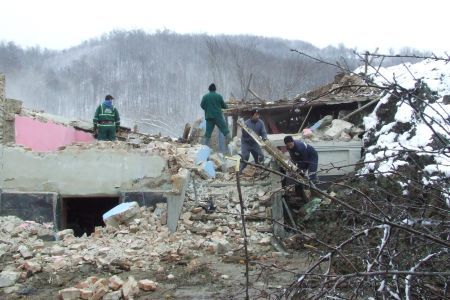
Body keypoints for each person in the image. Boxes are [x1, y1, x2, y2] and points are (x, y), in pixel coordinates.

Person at [240, 108, 268, 174]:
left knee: (260, 156)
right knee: (245, 157)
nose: (257, 116)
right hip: (246, 143)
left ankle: (260, 171)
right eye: (256, 115)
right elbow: (244, 135)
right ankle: (240, 172)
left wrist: (265, 138)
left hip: (255, 143)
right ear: (252, 115)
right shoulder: (246, 123)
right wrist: (243, 129)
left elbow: (263, 132)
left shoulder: (261, 123)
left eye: (258, 115)